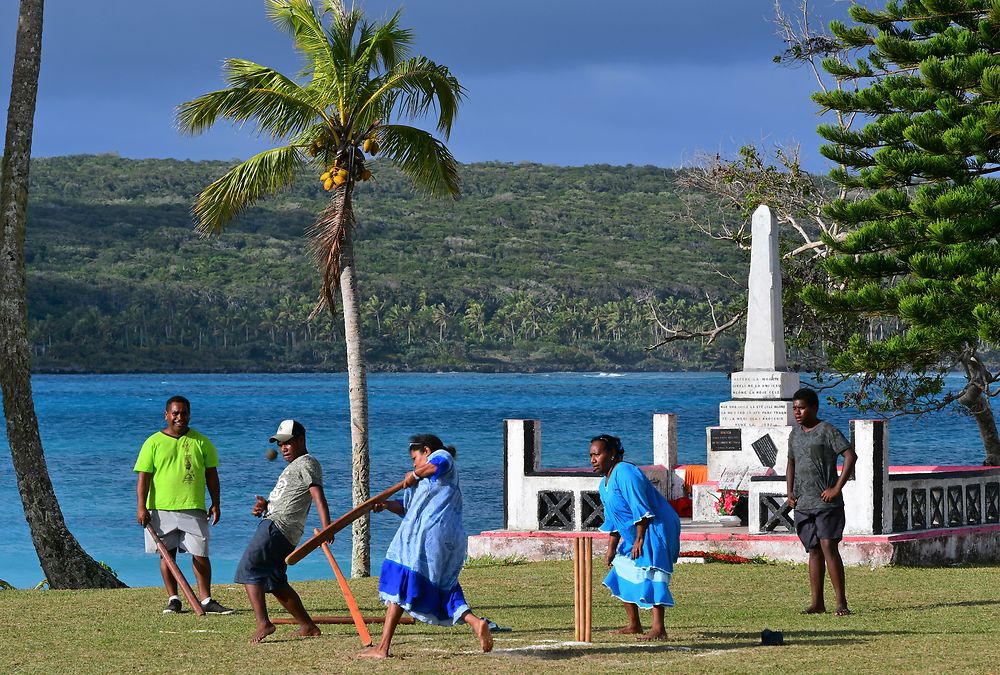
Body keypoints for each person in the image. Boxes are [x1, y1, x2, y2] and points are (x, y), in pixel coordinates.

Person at [359, 434, 493, 658]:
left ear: (427, 451)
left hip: (428, 538)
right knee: (444, 586)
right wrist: (387, 505)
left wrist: (413, 474)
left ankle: (382, 648)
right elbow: (409, 508)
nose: (413, 464)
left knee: (399, 581)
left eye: (415, 458)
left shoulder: (442, 457)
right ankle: (476, 622)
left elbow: (435, 466)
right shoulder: (423, 483)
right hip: (445, 539)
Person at [234, 419, 332, 644]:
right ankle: (308, 626)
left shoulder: (307, 462)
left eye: (288, 442)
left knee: (249, 568)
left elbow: (318, 495)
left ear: (301, 440)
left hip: (278, 526)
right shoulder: (293, 467)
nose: (283, 448)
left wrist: (327, 528)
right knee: (275, 581)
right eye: (280, 444)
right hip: (278, 524)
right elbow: (288, 499)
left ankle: (263, 623)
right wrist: (264, 506)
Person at [134, 395, 232, 615]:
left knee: (201, 553)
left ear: (189, 414)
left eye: (184, 413)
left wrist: (216, 503)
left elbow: (211, 475)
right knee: (166, 554)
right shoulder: (153, 442)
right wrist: (141, 507)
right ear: (166, 415)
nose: (180, 417)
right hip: (160, 508)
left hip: (193, 506)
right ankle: (174, 599)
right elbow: (144, 477)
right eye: (175, 413)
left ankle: (206, 599)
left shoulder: (201, 441)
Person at [591, 433, 680, 641]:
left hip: (657, 526)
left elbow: (641, 507)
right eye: (591, 455)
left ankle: (659, 629)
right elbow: (614, 520)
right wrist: (611, 549)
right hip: (638, 530)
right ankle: (634, 625)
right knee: (622, 566)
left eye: (597, 454)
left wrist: (639, 540)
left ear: (612, 454)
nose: (593, 460)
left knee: (653, 570)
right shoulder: (603, 485)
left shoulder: (625, 472)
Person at [786, 388, 857, 617]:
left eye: (802, 407)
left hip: (827, 503)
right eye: (795, 408)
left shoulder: (826, 430)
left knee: (829, 547)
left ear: (814, 408)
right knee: (813, 550)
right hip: (803, 502)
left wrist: (836, 488)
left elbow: (850, 455)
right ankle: (817, 602)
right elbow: (791, 464)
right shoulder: (794, 434)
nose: (797, 412)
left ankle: (841, 603)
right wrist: (789, 492)